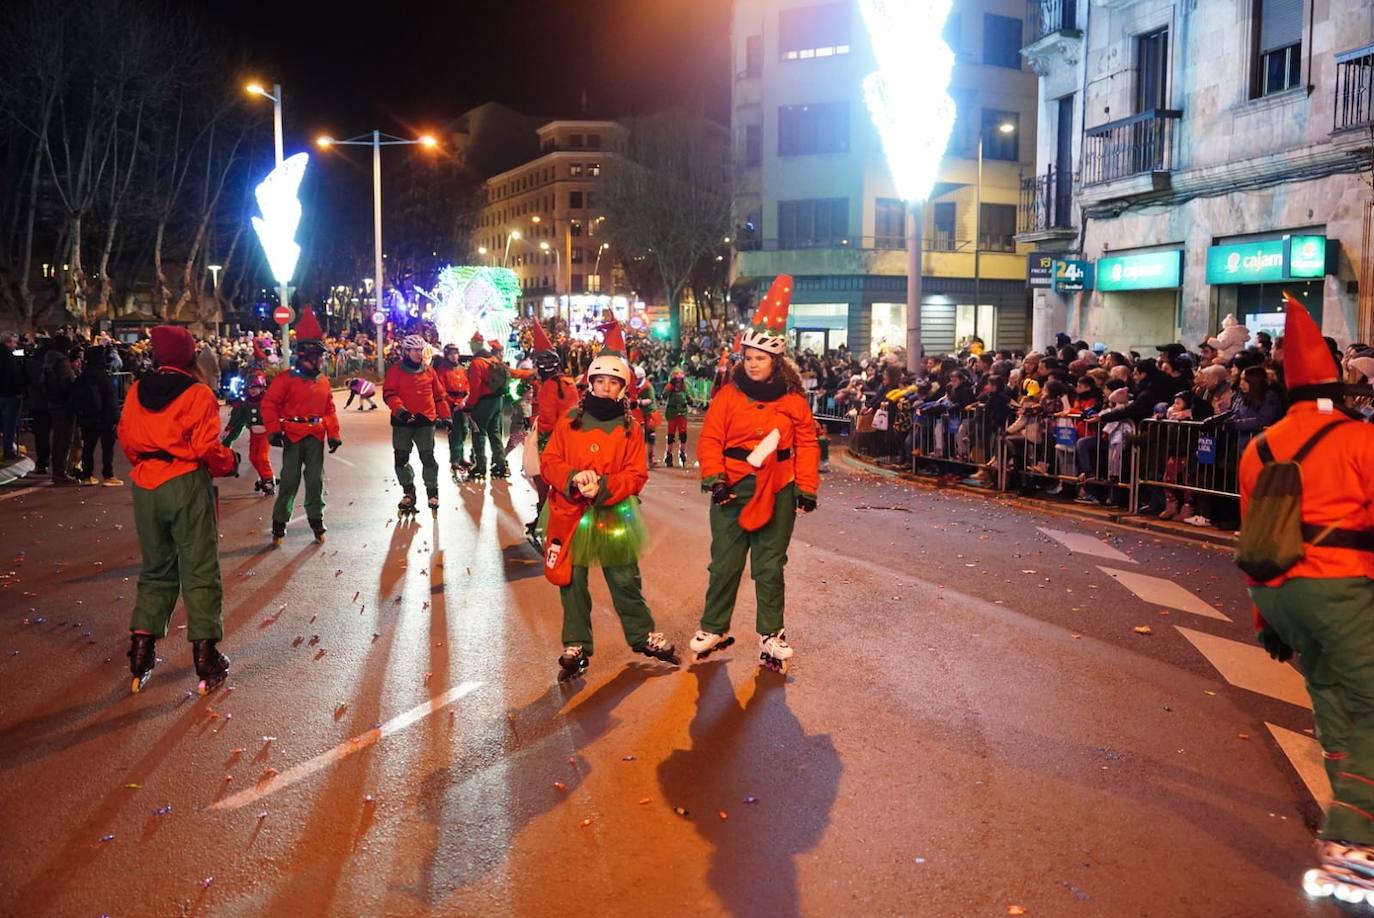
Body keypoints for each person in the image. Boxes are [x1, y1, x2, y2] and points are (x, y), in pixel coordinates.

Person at [1239, 297, 1374, 903]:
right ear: (1336, 391)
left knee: (1333, 705)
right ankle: (1355, 840)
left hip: (1280, 595)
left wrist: (1265, 619)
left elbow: (1255, 535)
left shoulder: (1259, 448)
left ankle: (1349, 821)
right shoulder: (1359, 441)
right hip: (1339, 587)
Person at [692, 274, 821, 672]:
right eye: (748, 358)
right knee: (725, 563)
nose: (753, 364)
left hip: (777, 487)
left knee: (769, 565)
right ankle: (714, 626)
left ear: (775, 361)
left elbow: (807, 445)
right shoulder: (728, 396)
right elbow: (710, 439)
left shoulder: (794, 400)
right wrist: (715, 479)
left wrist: (806, 487)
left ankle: (771, 633)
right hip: (732, 486)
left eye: (760, 358)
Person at [538, 335, 679, 682]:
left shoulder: (631, 428)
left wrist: (603, 486)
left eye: (612, 383)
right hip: (571, 510)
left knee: (624, 577)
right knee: (571, 581)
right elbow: (550, 461)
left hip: (613, 512)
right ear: (590, 383)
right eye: (598, 381)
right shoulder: (570, 419)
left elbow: (636, 475)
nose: (603, 388)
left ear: (622, 388)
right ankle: (576, 644)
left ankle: (642, 634)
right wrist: (572, 478)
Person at [117, 326, 240, 694]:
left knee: (156, 568)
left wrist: (146, 463)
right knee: (200, 567)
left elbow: (125, 436)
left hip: (146, 485)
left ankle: (141, 651)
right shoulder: (198, 393)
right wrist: (229, 461)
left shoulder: (137, 390)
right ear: (190, 356)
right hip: (185, 482)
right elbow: (206, 448)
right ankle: (206, 657)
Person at [261, 307, 341, 544]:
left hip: (315, 436)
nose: (321, 361)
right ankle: (279, 522)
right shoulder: (285, 380)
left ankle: (316, 519)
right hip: (292, 435)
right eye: (318, 357)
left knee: (315, 480)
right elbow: (269, 404)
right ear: (306, 357)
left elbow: (329, 410)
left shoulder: (323, 381)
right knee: (289, 480)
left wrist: (334, 434)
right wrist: (274, 430)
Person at [384, 334, 452, 515]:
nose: (419, 354)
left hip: (425, 421)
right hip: (402, 422)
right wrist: (401, 411)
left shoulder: (429, 371)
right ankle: (409, 492)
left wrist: (446, 416)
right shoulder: (395, 371)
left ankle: (432, 491)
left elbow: (439, 396)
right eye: (415, 350)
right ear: (406, 351)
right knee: (401, 458)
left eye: (421, 350)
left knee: (427, 457)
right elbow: (389, 394)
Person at [529, 322, 580, 541]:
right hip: (572, 437)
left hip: (553, 439)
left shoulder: (549, 387)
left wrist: (535, 427)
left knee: (543, 477)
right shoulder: (568, 382)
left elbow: (547, 420)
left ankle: (544, 516)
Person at [72, 345, 121, 486]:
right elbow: (111, 400)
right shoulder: (104, 376)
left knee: (88, 447)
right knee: (107, 448)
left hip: (87, 417)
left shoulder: (82, 376)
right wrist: (116, 419)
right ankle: (108, 475)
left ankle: (88, 475)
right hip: (105, 418)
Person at [221, 371, 275, 495]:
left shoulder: (267, 401)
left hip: (265, 434)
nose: (253, 391)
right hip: (254, 434)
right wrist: (228, 429)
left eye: (256, 388)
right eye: (250, 388)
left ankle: (268, 478)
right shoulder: (245, 404)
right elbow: (237, 418)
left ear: (262, 388)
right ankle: (264, 476)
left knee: (262, 456)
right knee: (253, 457)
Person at [466, 332, 510, 480]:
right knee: (495, 432)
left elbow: (475, 388)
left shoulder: (476, 363)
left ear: (474, 346)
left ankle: (480, 466)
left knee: (479, 433)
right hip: (498, 401)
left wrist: (469, 406)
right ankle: (500, 464)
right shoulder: (493, 360)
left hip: (484, 403)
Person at [43, 334, 77, 485]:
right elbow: (67, 384)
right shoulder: (61, 362)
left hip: (53, 403)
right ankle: (60, 472)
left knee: (58, 438)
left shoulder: (49, 360)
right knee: (63, 439)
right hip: (64, 405)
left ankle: (58, 470)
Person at [433, 343, 470, 479]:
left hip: (462, 404)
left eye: (456, 353)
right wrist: (453, 403)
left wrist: (465, 400)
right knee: (455, 433)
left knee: (464, 430)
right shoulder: (442, 370)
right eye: (451, 354)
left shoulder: (461, 369)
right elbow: (441, 390)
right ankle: (455, 459)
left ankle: (461, 456)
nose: (454, 356)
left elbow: (467, 385)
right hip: (451, 406)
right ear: (447, 356)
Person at [0, 332, 24, 460]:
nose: (15, 346)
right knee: (10, 424)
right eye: (14, 343)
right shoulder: (10, 358)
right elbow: (15, 376)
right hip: (10, 394)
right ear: (8, 342)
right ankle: (8, 450)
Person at [662, 367, 690, 468]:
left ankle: (682, 451)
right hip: (672, 412)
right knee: (671, 434)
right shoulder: (670, 387)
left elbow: (688, 396)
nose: (678, 382)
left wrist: (689, 399)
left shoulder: (684, 386)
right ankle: (668, 453)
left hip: (682, 412)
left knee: (683, 434)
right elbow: (664, 396)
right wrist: (670, 388)